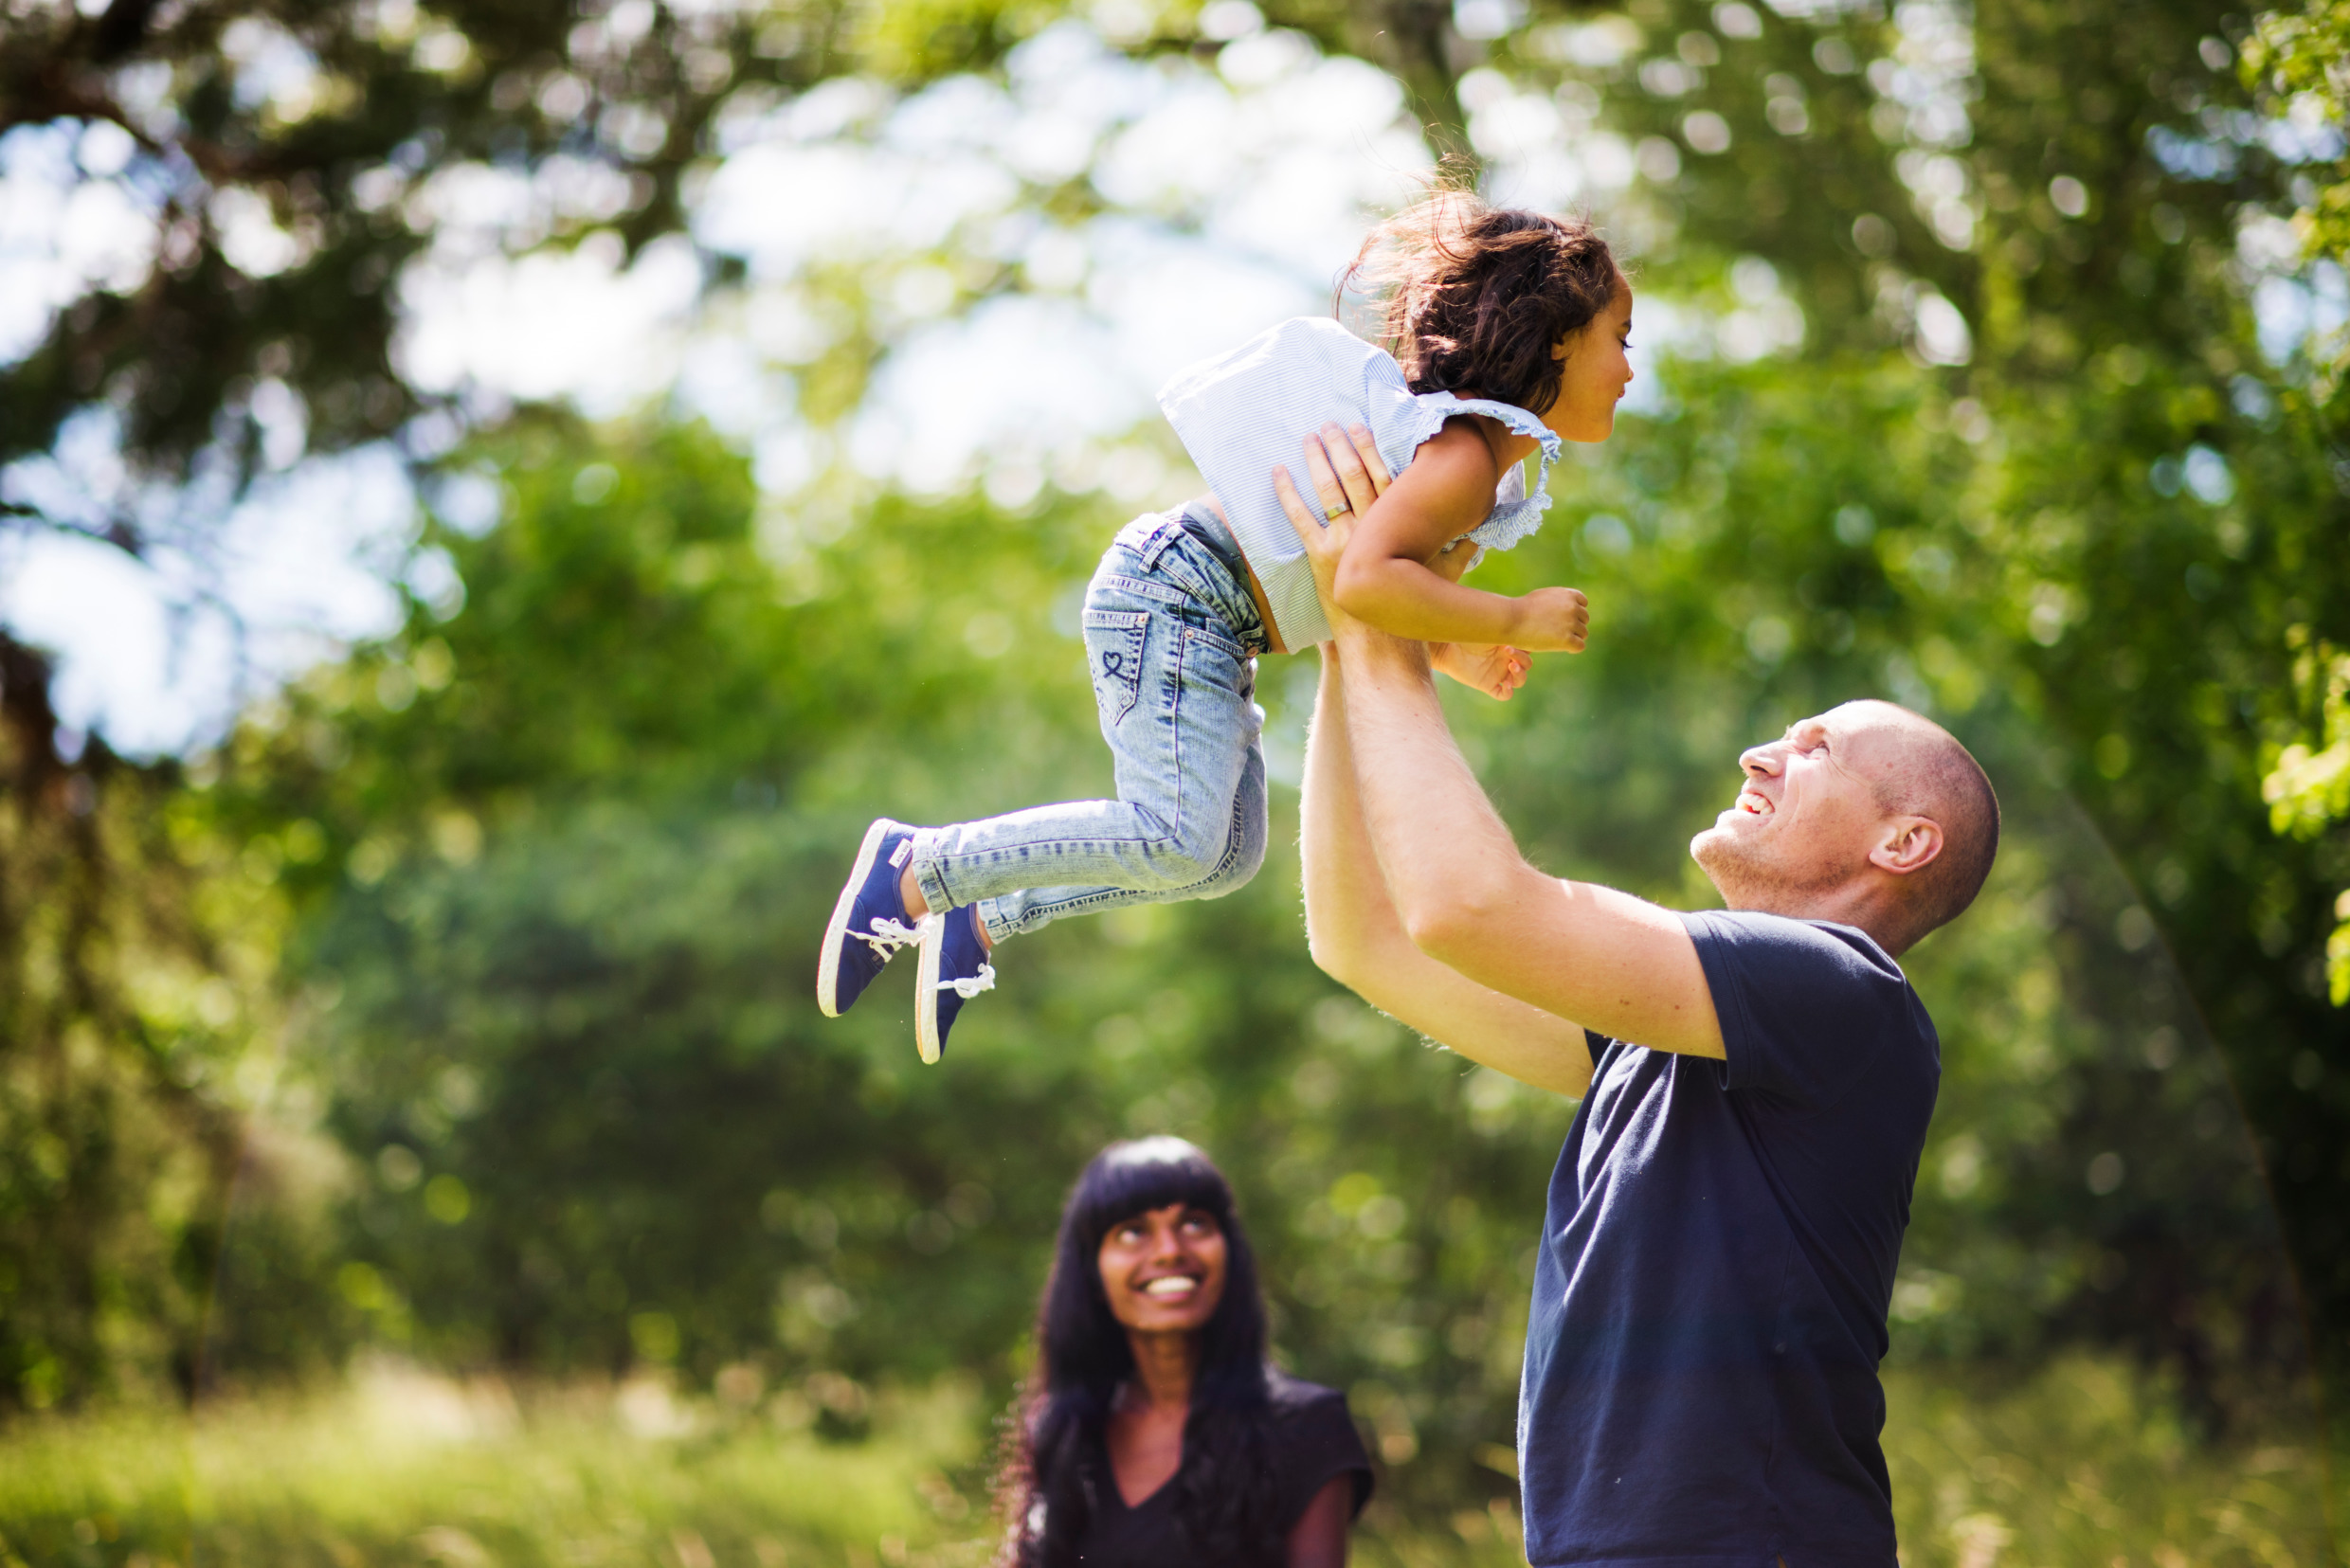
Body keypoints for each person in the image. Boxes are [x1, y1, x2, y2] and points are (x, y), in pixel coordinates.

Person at [1277, 432, 1998, 1566]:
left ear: (1902, 840)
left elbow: (1467, 906)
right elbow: (1363, 939)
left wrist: (1383, 603)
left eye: (1814, 748)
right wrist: (1341, 636)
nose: (1762, 750)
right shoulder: (1660, 1045)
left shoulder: (1841, 992)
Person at [816, 190, 1634, 1062]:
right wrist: (1514, 614)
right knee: (1176, 836)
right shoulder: (1466, 453)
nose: (1629, 369)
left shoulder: (1474, 458)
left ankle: (982, 914)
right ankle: (919, 869)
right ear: (1558, 336)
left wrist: (1455, 646)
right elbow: (1363, 577)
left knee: (1218, 858)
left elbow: (1373, 582)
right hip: (1178, 594)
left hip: (1217, 625)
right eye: (1621, 338)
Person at [995, 1137, 1373, 1567]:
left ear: (1229, 1251)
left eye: (1194, 1223)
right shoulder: (1063, 1432)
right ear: (1093, 1274)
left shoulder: (1305, 1426)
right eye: (1133, 1232)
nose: (1170, 1250)